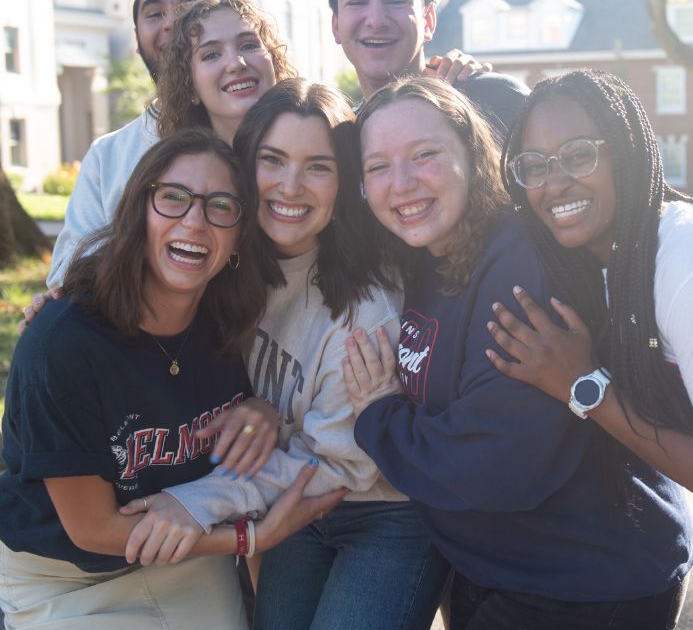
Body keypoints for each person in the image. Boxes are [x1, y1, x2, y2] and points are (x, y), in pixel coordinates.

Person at [343, 76, 693, 630]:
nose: (402, 183)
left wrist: (378, 417)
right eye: (378, 167)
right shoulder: (427, 256)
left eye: (425, 155)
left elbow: (489, 462)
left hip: (586, 585)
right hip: (499, 570)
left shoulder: (519, 267)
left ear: (473, 153)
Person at [120, 78, 451, 630]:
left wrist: (200, 500)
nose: (290, 187)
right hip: (289, 501)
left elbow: (339, 462)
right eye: (272, 160)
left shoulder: (367, 311)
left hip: (381, 510)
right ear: (245, 164)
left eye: (318, 166)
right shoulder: (225, 262)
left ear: (345, 180)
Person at [486, 69, 693, 630]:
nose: (553, 183)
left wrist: (584, 387)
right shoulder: (620, 261)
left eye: (578, 155)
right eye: (533, 166)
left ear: (627, 150)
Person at [0, 128, 344, 629]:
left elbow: (248, 439)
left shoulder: (230, 323)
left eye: (221, 206)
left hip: (180, 559)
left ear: (238, 238)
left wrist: (264, 408)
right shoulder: (64, 344)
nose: (195, 221)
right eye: (174, 198)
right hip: (61, 575)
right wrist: (250, 538)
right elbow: (93, 529)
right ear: (138, 211)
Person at [46, 0, 214, 288]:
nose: (171, 22)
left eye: (188, 8)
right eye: (154, 13)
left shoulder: (253, 135)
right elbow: (67, 276)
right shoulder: (106, 157)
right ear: (137, 39)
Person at [323, 0, 527, 132]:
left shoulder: (495, 103)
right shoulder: (341, 140)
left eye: (396, 1)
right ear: (336, 25)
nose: (376, 20)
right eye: (356, 2)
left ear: (428, 20)